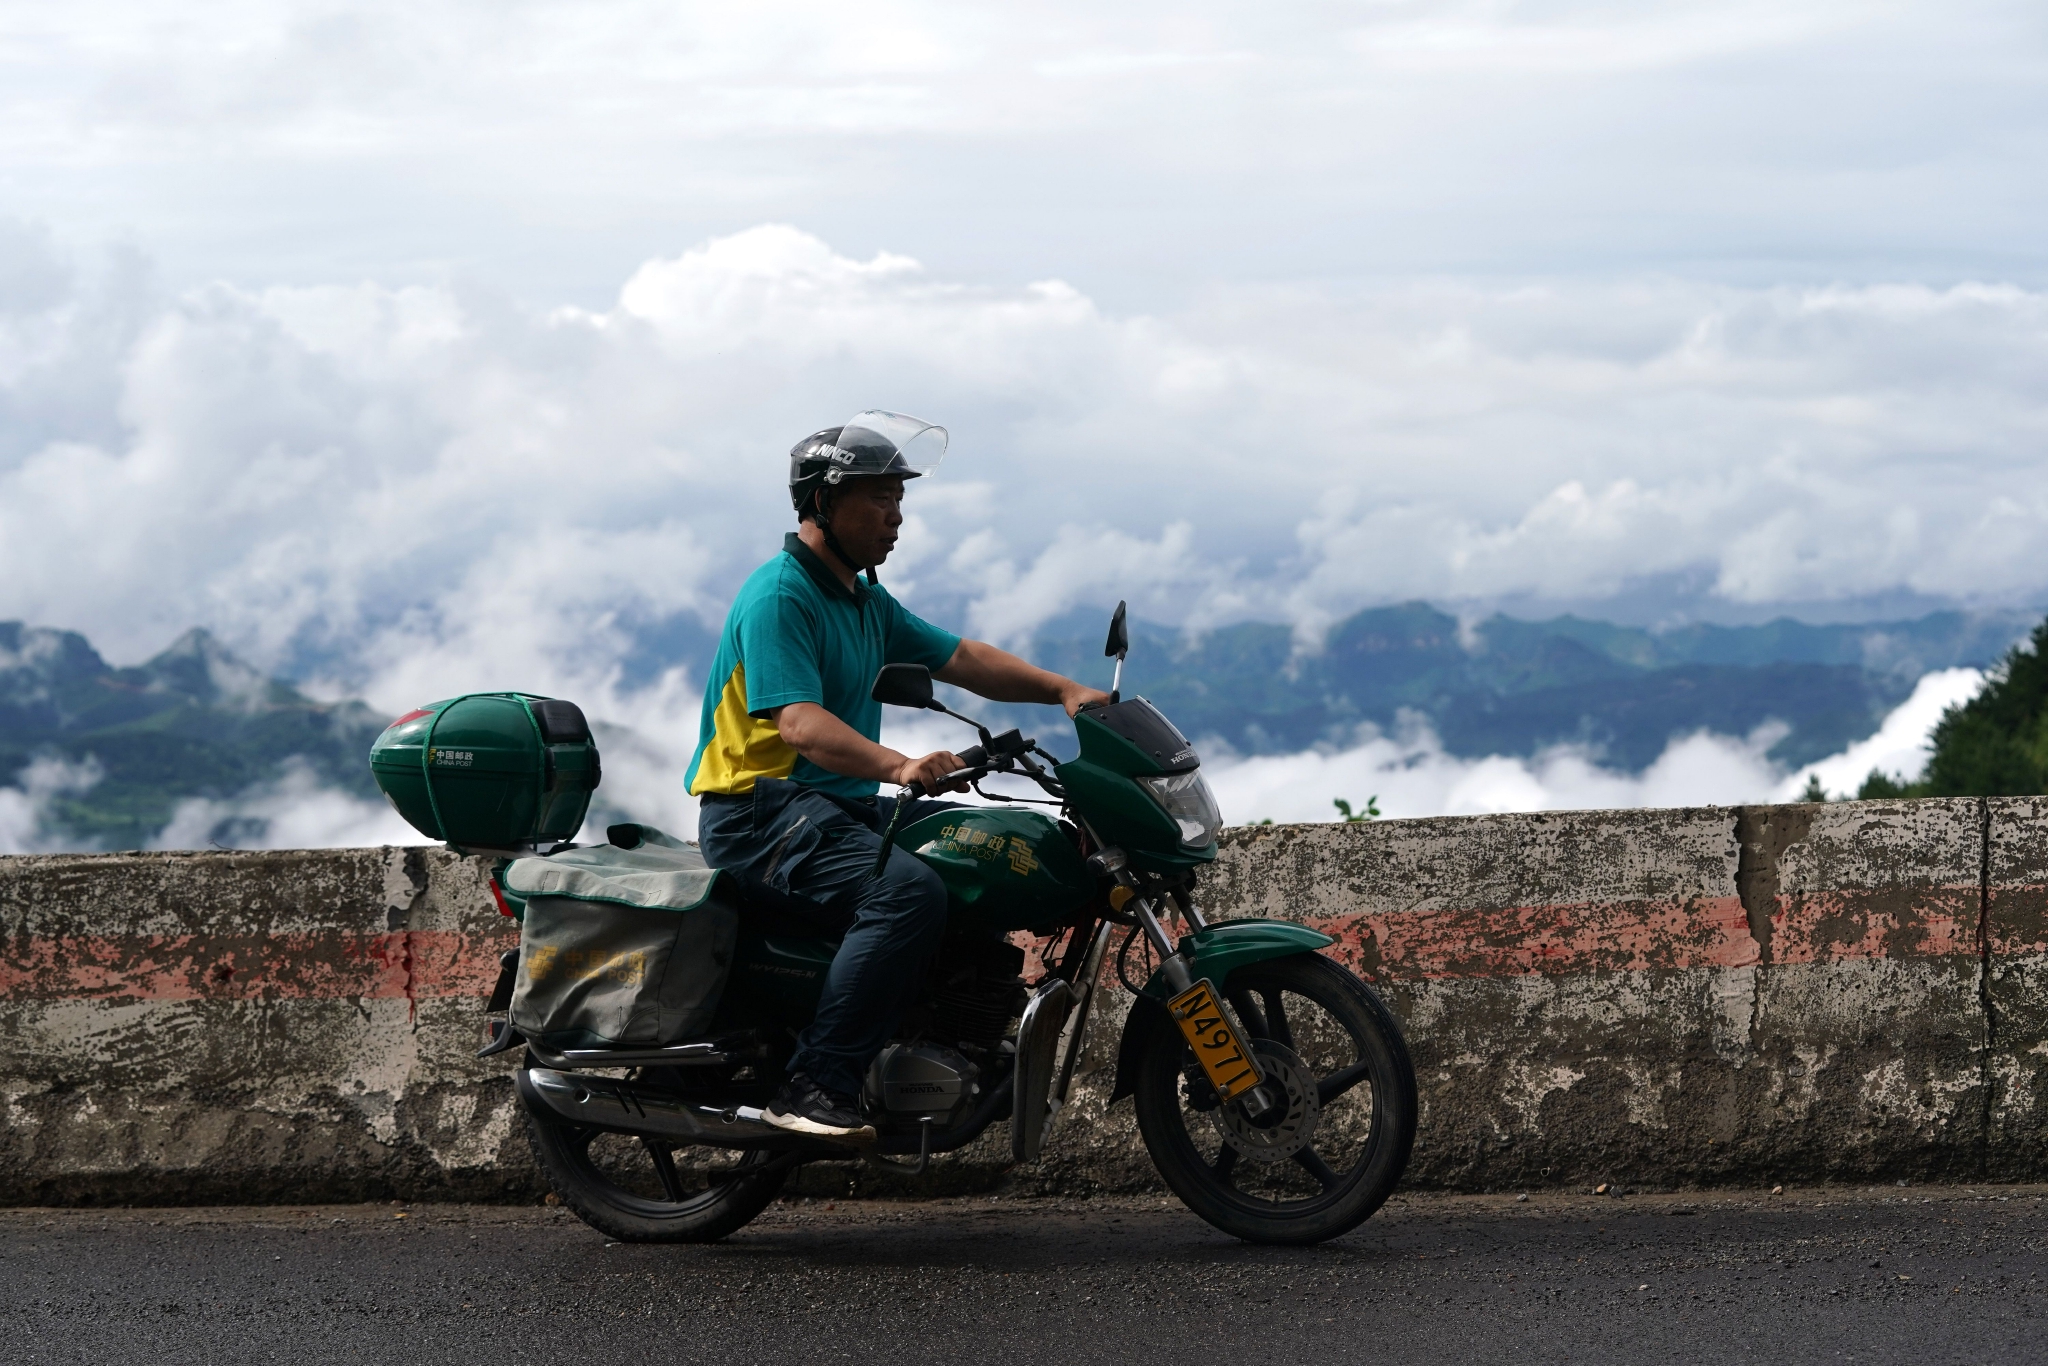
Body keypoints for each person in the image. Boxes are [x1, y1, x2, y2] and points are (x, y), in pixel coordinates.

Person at [687, 412, 1110, 1141]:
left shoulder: (863, 599)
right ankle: (817, 1084)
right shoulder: (782, 595)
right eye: (878, 498)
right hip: (756, 812)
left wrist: (1066, 691)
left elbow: (961, 658)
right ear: (822, 501)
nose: (895, 517)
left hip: (831, 807)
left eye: (899, 500)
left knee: (974, 846)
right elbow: (798, 724)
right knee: (905, 893)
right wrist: (900, 764)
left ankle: (957, 1036)